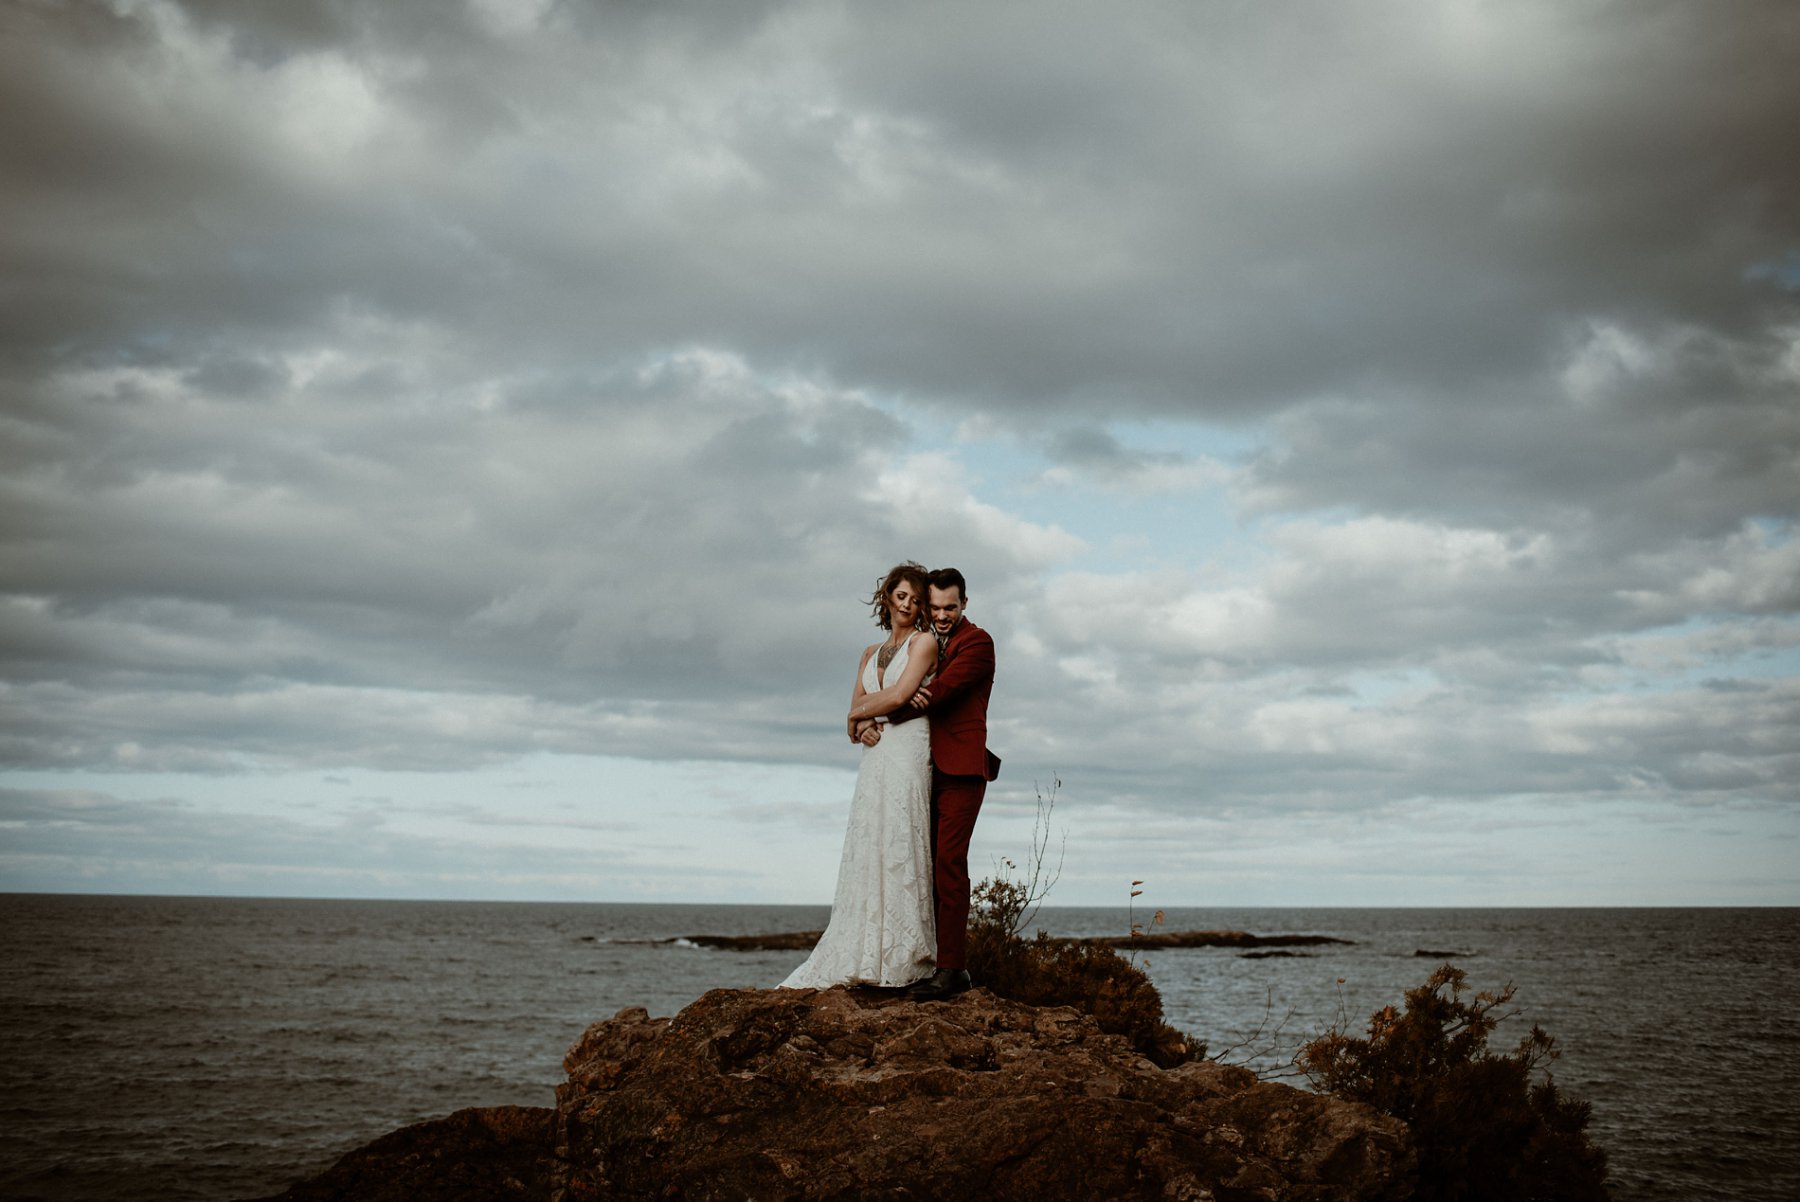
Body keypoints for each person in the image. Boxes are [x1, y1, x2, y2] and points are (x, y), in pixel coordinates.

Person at [780, 563, 940, 989]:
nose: (908, 605)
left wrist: (858, 713)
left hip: (908, 748)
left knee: (902, 837)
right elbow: (859, 712)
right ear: (887, 596)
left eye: (916, 599)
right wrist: (860, 723)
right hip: (877, 753)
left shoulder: (926, 643)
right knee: (871, 840)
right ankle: (866, 950)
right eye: (901, 595)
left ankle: (905, 955)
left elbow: (899, 694)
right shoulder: (868, 653)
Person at [882, 567, 1001, 1001]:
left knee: (950, 863)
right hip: (923, 768)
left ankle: (954, 970)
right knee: (922, 865)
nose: (942, 614)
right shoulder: (924, 642)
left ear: (964, 603)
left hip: (962, 771)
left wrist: (888, 708)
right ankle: (925, 961)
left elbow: (942, 691)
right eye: (934, 607)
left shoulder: (979, 642)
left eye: (950, 607)